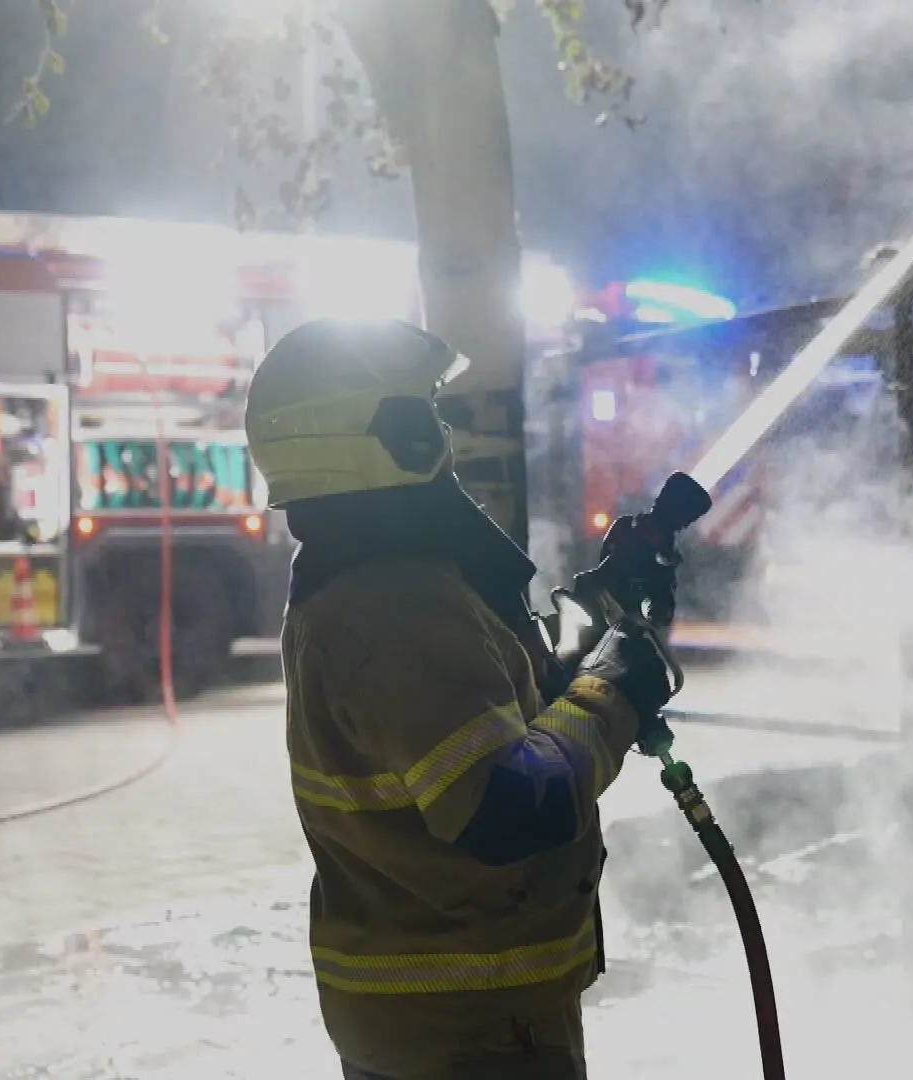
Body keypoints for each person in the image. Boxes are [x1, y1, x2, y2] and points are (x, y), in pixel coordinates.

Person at [244, 318, 681, 1080]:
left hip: (448, 1025)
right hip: (468, 1037)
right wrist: (613, 692)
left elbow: (488, 702)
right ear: (389, 435)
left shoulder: (379, 579)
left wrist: (593, 619)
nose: (446, 435)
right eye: (429, 413)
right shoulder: (393, 604)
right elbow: (506, 807)